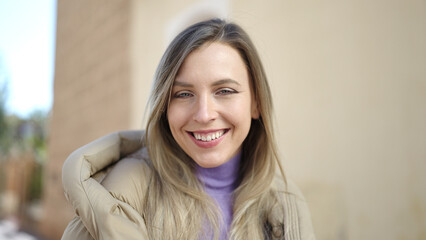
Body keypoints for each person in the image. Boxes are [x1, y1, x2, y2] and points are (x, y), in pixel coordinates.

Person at [61, 18, 315, 240]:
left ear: (256, 102)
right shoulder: (126, 187)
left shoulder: (287, 202)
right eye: (183, 94)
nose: (204, 115)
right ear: (164, 106)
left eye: (224, 91)